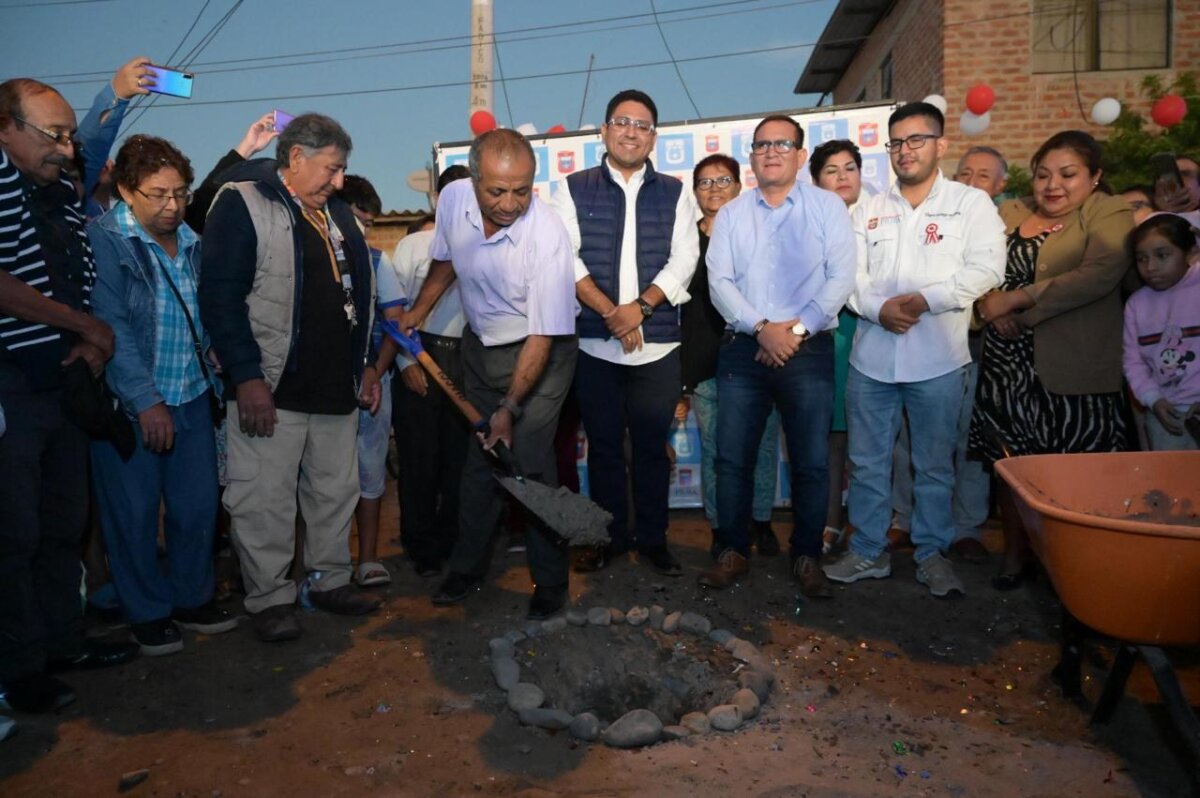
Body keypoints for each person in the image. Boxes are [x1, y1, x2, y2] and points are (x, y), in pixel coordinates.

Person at [199, 113, 383, 643]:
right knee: (264, 500)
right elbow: (220, 297)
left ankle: (328, 581)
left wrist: (366, 363)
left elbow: (361, 300)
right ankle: (271, 598)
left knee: (334, 492)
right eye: (332, 168)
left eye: (343, 169)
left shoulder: (340, 215)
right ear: (296, 157)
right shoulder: (243, 202)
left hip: (335, 388)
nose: (339, 181)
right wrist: (247, 376)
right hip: (270, 387)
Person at [393, 129, 578, 620]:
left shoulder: (548, 236)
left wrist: (509, 409)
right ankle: (467, 568)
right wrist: (419, 310)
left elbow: (542, 337)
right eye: (497, 190)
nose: (510, 203)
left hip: (541, 355)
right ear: (474, 179)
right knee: (480, 467)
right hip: (481, 348)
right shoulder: (454, 199)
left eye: (522, 190)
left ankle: (552, 582)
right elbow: (447, 259)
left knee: (530, 465)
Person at [824, 102, 1005, 598]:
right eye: (897, 142)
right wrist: (879, 308)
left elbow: (988, 268)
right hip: (872, 361)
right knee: (866, 463)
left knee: (932, 466)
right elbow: (846, 277)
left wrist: (927, 300)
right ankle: (867, 551)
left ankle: (931, 555)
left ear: (941, 145)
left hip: (939, 361)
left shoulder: (971, 204)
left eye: (917, 140)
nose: (906, 151)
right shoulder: (868, 210)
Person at [0, 77, 138, 713]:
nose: (65, 147)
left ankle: (62, 642)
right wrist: (84, 326)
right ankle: (18, 670)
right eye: (51, 135)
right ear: (6, 129)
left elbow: (74, 276)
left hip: (65, 381)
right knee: (14, 533)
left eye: (67, 134)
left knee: (62, 523)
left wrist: (88, 342)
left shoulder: (58, 191)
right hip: (12, 387)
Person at [87, 135, 236, 656]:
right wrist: (145, 400)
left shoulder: (193, 240)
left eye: (180, 193)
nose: (172, 206)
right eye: (158, 194)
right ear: (126, 190)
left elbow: (203, 309)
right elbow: (113, 328)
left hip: (193, 392)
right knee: (132, 512)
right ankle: (146, 610)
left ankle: (191, 597)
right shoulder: (104, 241)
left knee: (197, 509)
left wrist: (214, 349)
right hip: (134, 403)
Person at [968, 130, 1134, 589]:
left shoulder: (1109, 213)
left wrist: (1021, 304)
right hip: (1007, 369)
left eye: (1068, 174)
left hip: (1075, 369)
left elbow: (1097, 275)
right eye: (1042, 174)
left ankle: (1081, 564)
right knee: (1014, 467)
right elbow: (972, 264)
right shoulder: (1009, 212)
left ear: (1095, 177)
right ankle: (1017, 557)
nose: (1052, 185)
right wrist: (990, 304)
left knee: (1078, 471)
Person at [701, 115, 857, 595]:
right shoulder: (732, 214)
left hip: (807, 350)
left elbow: (840, 277)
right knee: (732, 460)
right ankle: (732, 549)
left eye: (782, 144)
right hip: (743, 350)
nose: (771, 152)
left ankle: (806, 556)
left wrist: (796, 330)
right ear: (751, 156)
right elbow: (719, 281)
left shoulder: (827, 207)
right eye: (762, 145)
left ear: (800, 154)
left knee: (810, 460)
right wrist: (762, 329)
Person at [548, 89, 699, 577]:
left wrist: (641, 308)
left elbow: (685, 259)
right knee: (605, 449)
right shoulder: (571, 188)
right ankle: (610, 539)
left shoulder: (677, 192)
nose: (632, 131)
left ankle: (654, 540)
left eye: (642, 125)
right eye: (622, 121)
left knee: (653, 450)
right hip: (595, 343)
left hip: (657, 346)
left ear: (654, 137)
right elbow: (564, 259)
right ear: (604, 131)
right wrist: (613, 312)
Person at [680, 153, 781, 558]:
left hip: (759, 356)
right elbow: (682, 313)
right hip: (706, 364)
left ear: (740, 187)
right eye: (705, 182)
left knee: (764, 444)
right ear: (695, 193)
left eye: (723, 180)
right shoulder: (686, 242)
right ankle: (722, 527)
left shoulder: (760, 233)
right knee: (716, 450)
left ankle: (760, 520)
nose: (714, 188)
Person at [372, 165, 471, 577]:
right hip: (419, 356)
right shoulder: (413, 245)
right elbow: (394, 312)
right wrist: (405, 361)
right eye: (450, 196)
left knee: (460, 461)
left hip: (469, 360)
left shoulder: (484, 243)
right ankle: (420, 546)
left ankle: (455, 542)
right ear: (437, 200)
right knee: (419, 462)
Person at [338, 174, 396, 587]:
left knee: (370, 471)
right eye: (359, 219)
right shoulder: (308, 255)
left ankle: (369, 557)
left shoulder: (379, 262)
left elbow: (396, 326)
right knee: (317, 479)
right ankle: (320, 565)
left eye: (370, 223)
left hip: (372, 385)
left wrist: (375, 370)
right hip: (323, 390)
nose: (364, 230)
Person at [808, 139, 862, 553]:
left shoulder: (881, 218)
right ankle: (828, 524)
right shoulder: (805, 223)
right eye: (832, 170)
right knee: (829, 438)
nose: (842, 177)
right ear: (814, 180)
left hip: (872, 333)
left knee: (873, 443)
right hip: (823, 337)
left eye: (850, 168)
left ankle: (868, 526)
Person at [1123, 213, 1200, 450]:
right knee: (1172, 483)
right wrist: (1153, 400)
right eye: (1141, 258)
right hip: (1166, 416)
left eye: (1162, 255)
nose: (1151, 267)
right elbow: (1132, 362)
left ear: (1190, 253)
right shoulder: (1136, 304)